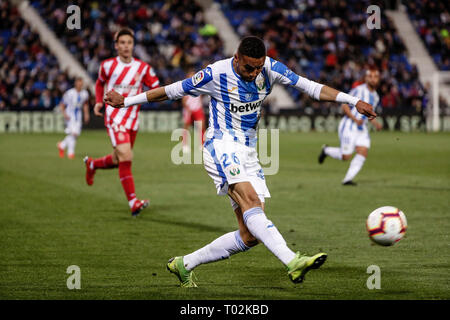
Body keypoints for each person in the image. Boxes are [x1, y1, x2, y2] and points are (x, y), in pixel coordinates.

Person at [104, 36, 377, 287]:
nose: (255, 73)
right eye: (249, 68)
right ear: (237, 58)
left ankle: (184, 264)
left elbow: (310, 87)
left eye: (258, 68)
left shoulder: (270, 68)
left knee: (250, 235)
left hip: (248, 150)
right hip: (220, 145)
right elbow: (170, 90)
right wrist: (125, 101)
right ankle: (293, 261)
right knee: (251, 202)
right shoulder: (215, 73)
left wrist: (353, 100)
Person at [84, 27, 160, 216]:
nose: (126, 46)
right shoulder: (108, 66)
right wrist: (98, 102)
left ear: (133, 45)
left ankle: (92, 164)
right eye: (122, 43)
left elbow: (157, 88)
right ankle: (133, 202)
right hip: (114, 116)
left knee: (119, 160)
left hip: (133, 119)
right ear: (116, 46)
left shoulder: (143, 68)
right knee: (126, 156)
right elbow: (100, 82)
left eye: (129, 43)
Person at [318, 68, 383, 185]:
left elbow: (366, 114)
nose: (373, 79)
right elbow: (344, 105)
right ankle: (326, 150)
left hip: (361, 127)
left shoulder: (376, 96)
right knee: (345, 156)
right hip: (349, 125)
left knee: (363, 151)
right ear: (366, 78)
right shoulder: (358, 90)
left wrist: (375, 123)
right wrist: (355, 119)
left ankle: (347, 179)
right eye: (371, 76)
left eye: (376, 77)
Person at [57, 77, 90, 159]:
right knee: (73, 133)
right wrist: (64, 114)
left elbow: (85, 104)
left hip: (78, 114)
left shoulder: (85, 93)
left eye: (81, 83)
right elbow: (62, 104)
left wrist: (86, 114)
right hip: (70, 114)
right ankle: (70, 153)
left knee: (76, 133)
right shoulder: (69, 93)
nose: (80, 84)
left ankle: (62, 145)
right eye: (78, 82)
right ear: (75, 83)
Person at [181, 70, 206, 153]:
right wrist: (187, 108)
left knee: (201, 127)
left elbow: (201, 97)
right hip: (188, 109)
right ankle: (184, 145)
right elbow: (184, 100)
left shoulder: (199, 86)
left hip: (198, 108)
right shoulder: (185, 86)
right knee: (186, 127)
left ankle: (202, 144)